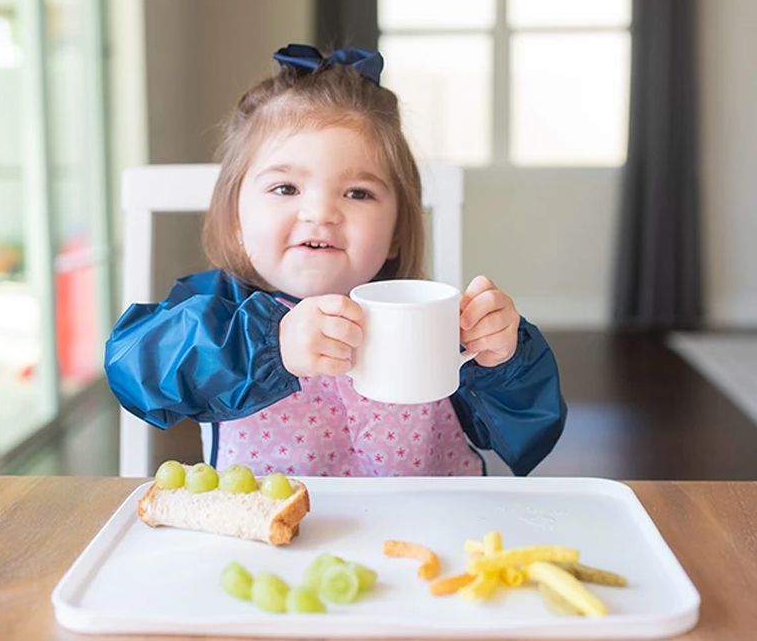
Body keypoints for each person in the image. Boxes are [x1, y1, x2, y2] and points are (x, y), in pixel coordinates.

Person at [105, 44, 566, 477]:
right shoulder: (217, 308)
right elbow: (132, 366)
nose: (321, 212)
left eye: (358, 193)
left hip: (433, 540)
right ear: (237, 225)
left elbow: (531, 436)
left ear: (395, 235)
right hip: (279, 545)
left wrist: (504, 360)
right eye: (285, 188)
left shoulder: (437, 320)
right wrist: (268, 346)